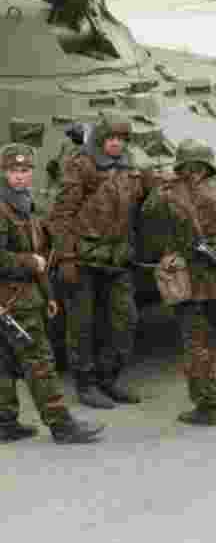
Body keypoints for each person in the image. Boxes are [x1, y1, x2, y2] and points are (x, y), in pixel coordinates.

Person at [141, 139, 216, 425]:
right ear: (209, 164)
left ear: (180, 166)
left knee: (197, 347)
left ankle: (206, 408)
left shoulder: (166, 196)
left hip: (190, 287)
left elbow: (148, 220)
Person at [47, 115, 156, 409]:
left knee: (126, 320)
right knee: (82, 324)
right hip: (82, 259)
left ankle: (109, 378)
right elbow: (60, 216)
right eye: (111, 139)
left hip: (118, 259)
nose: (116, 144)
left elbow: (150, 194)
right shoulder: (81, 166)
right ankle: (86, 383)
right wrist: (66, 257)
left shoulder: (131, 169)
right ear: (99, 140)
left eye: (121, 139)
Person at [0, 144, 104, 444]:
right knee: (39, 360)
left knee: (5, 361)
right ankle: (61, 424)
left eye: (26, 170)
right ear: (5, 172)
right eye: (14, 171)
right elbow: (25, 258)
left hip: (23, 296)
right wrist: (29, 262)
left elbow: (40, 251)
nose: (21, 176)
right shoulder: (5, 207)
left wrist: (49, 295)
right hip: (12, 299)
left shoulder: (24, 203)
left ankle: (5, 422)